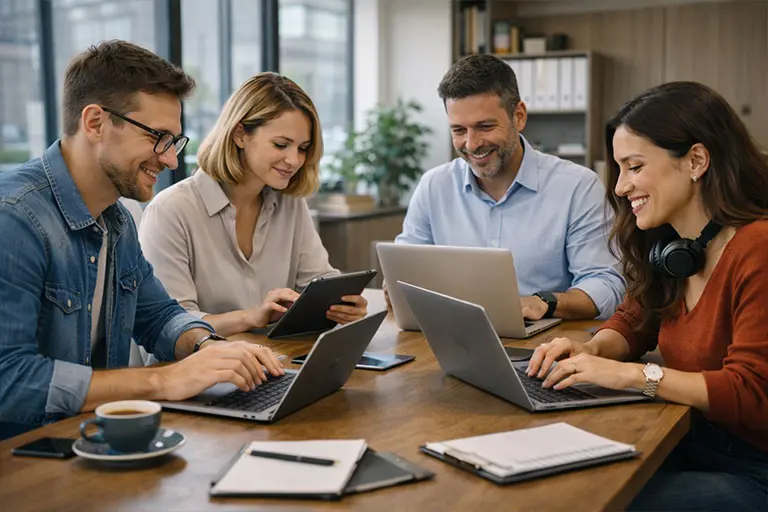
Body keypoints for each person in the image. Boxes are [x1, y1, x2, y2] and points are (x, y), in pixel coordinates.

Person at [0, 41, 283, 440]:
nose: (170, 160)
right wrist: (161, 382)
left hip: (97, 445)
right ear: (95, 122)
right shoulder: (14, 217)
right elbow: (8, 380)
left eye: (174, 141)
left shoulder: (116, 219)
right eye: (158, 137)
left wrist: (210, 348)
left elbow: (158, 316)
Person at [527, 81, 768, 510]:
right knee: (547, 478)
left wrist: (633, 377)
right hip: (692, 438)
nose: (620, 187)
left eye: (633, 167)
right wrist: (588, 349)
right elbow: (634, 322)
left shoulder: (758, 249)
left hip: (753, 468)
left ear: (696, 160)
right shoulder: (675, 245)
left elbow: (750, 393)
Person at [392, 54, 625, 321]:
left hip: (544, 345)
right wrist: (395, 287)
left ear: (519, 116)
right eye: (458, 130)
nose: (471, 143)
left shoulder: (578, 186)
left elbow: (606, 285)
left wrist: (543, 303)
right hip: (452, 335)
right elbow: (405, 271)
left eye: (485, 126)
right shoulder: (434, 186)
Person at [138, 73, 367, 337]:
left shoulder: (291, 205)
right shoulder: (171, 211)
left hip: (273, 363)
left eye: (303, 148)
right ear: (239, 135)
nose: (293, 160)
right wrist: (251, 317)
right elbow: (170, 326)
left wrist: (341, 306)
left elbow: (317, 283)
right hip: (200, 371)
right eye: (281, 144)